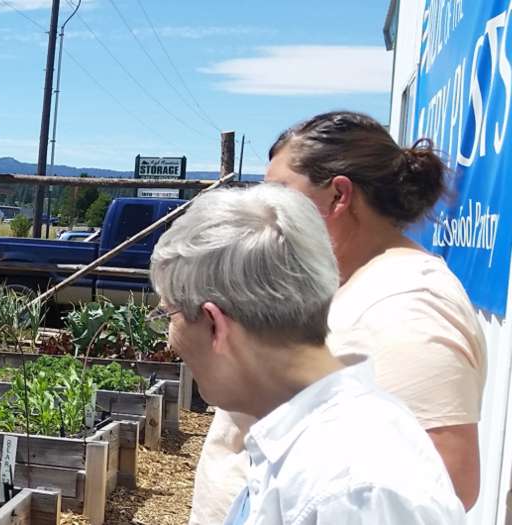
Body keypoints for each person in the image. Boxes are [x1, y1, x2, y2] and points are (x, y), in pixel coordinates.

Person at [189, 111, 487, 524]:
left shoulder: (407, 304)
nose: (263, 212)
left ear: (339, 196)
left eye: (278, 194)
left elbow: (444, 479)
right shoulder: (349, 284)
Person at [150, 184, 464, 524]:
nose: (170, 341)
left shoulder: (349, 488)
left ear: (215, 324)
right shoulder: (320, 444)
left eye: (168, 315)